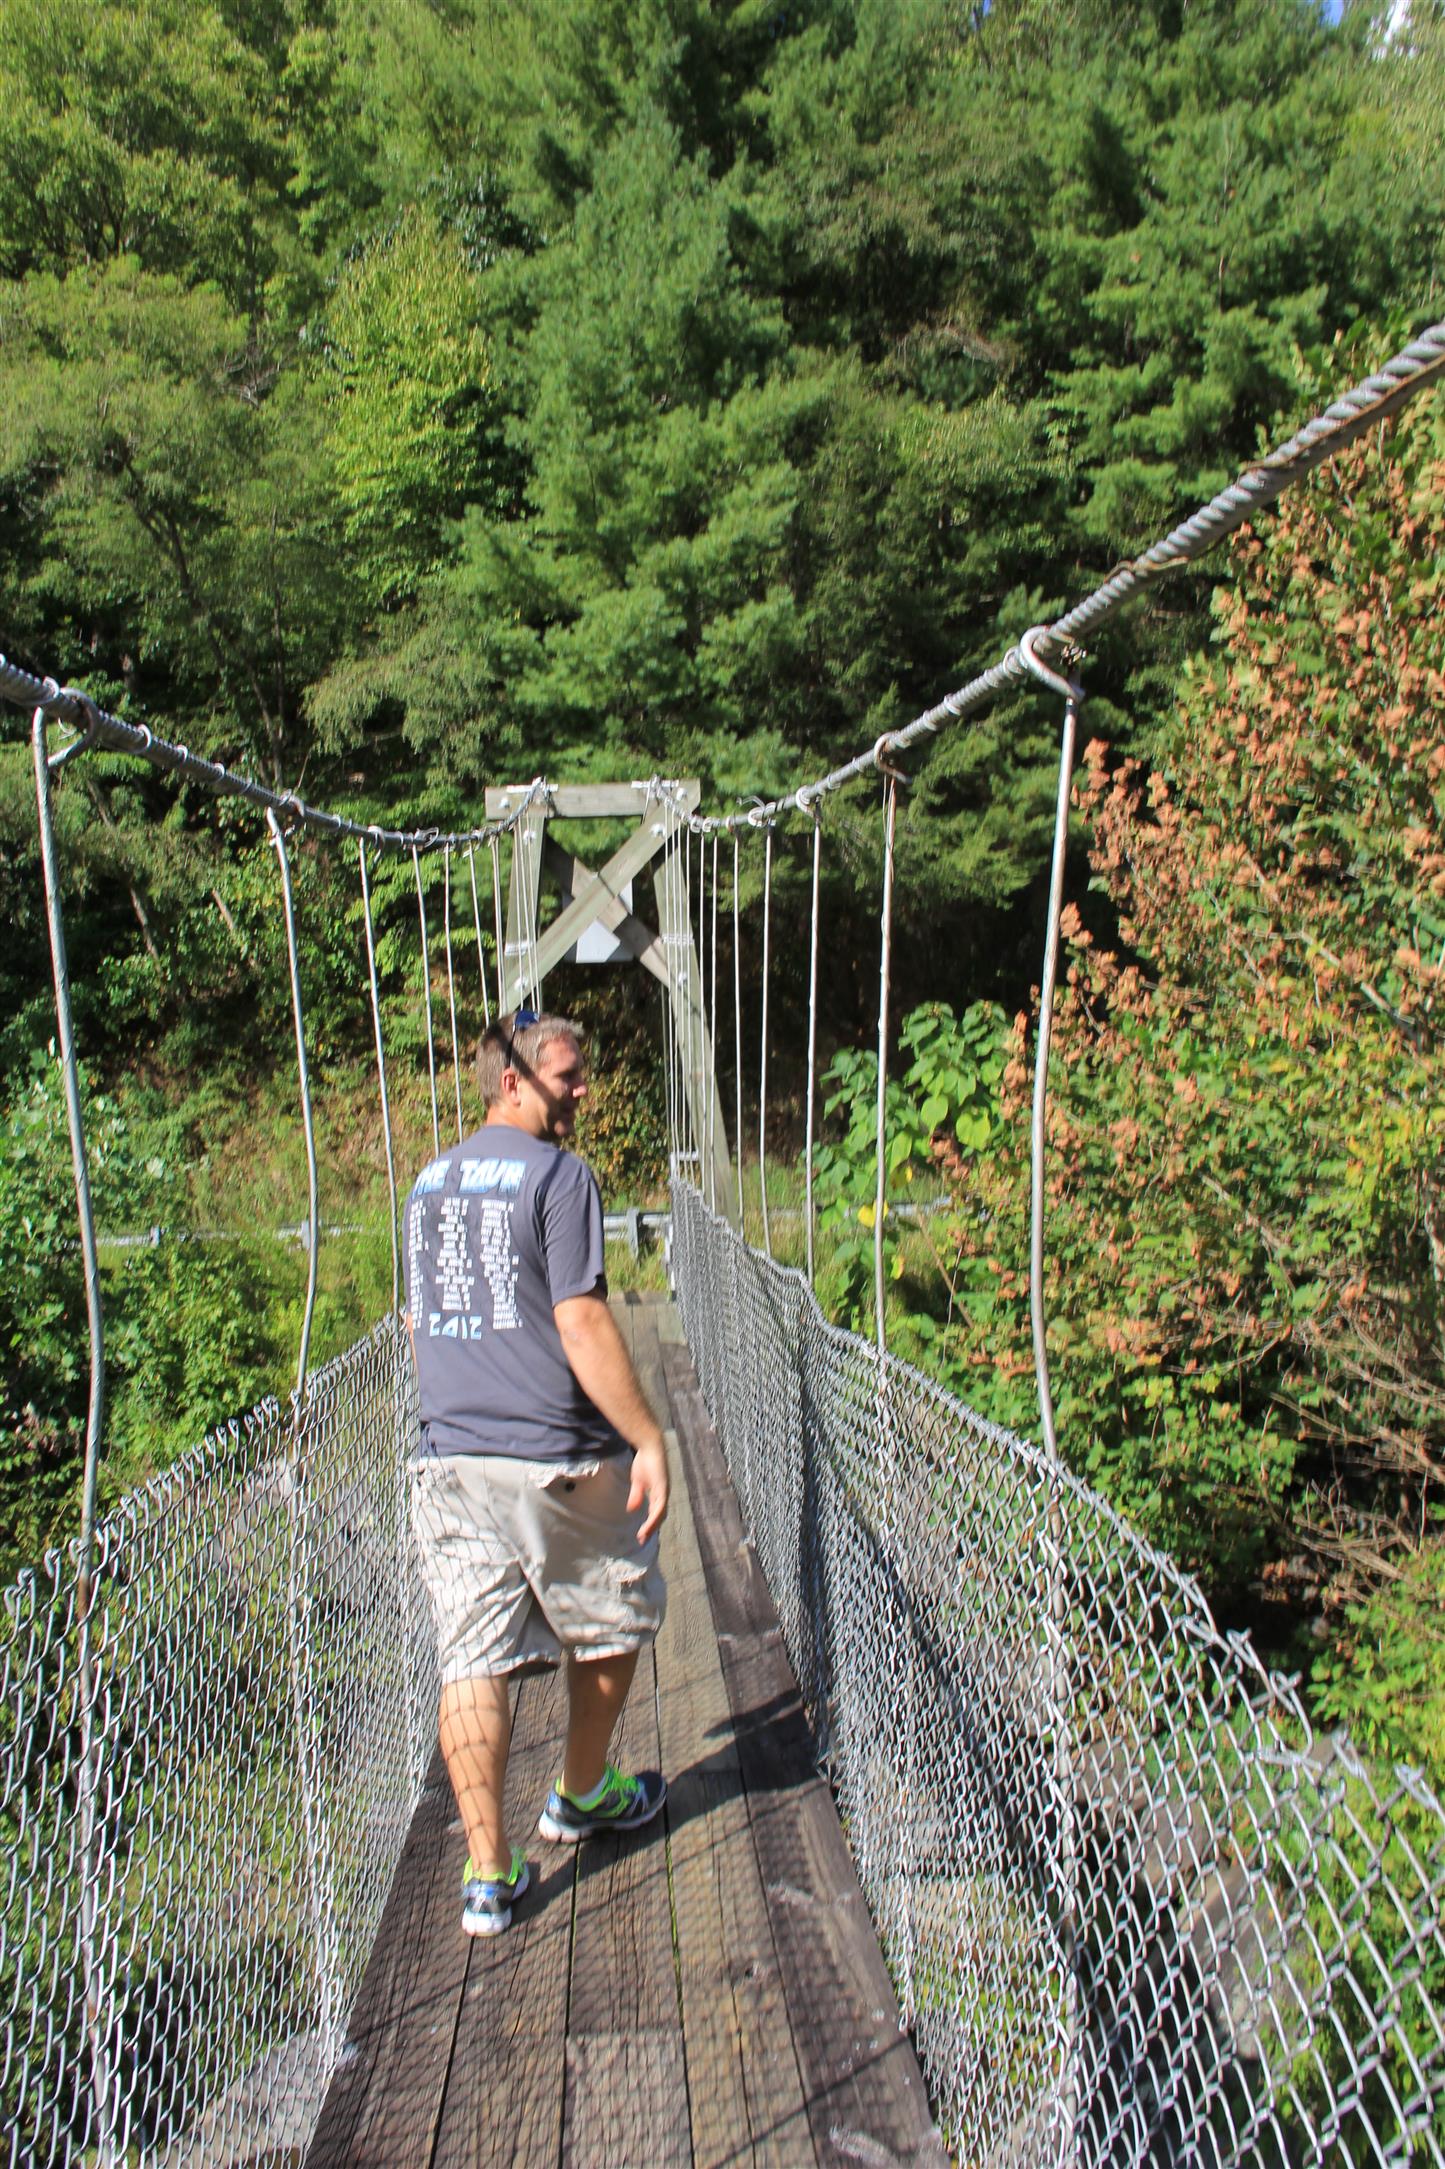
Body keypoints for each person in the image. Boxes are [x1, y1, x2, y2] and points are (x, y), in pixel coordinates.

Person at [403, 1007, 670, 1936]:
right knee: (612, 1608)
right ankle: (582, 1791)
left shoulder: (428, 1180)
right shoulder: (560, 1175)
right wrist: (647, 1437)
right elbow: (581, 1321)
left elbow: (419, 1320)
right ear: (511, 1081)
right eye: (567, 1076)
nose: (583, 1089)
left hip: (449, 1458)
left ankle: (488, 1874)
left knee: (469, 1659)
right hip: (555, 1455)